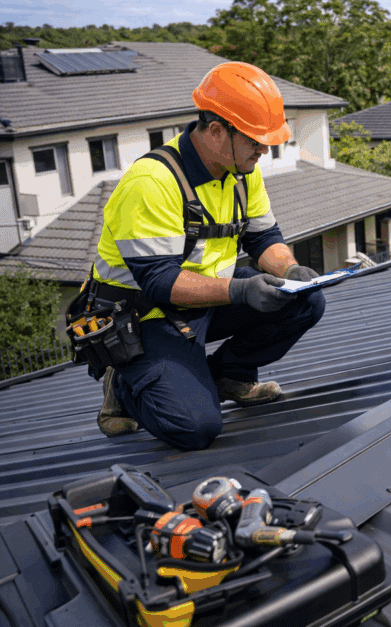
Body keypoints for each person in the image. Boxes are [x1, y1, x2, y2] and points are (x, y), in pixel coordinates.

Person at [89, 61, 325, 450]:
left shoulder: (242, 173)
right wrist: (240, 291)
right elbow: (160, 281)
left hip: (205, 304)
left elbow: (265, 237)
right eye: (255, 141)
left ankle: (226, 375)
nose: (263, 151)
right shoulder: (152, 182)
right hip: (145, 318)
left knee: (306, 300)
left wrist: (291, 269)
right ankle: (127, 386)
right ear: (217, 131)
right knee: (194, 429)